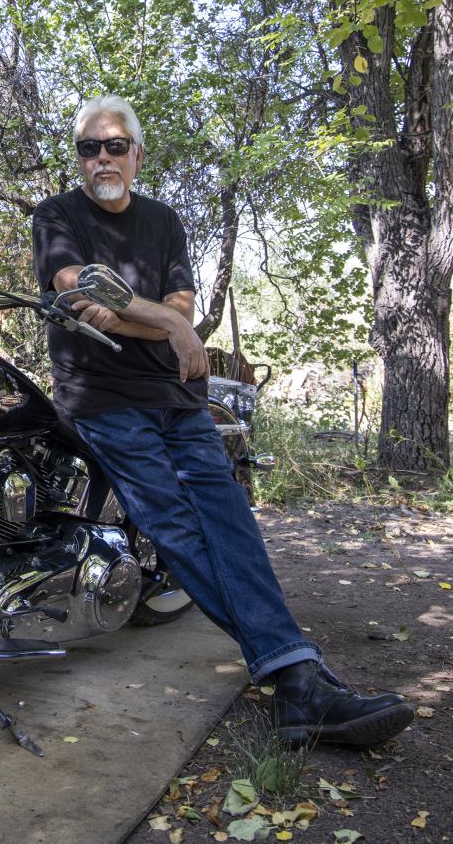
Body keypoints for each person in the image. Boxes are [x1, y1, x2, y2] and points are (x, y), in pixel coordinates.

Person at [31, 93, 413, 747]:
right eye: (87, 148)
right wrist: (170, 323)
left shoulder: (162, 221)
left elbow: (171, 298)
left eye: (113, 145)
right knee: (176, 522)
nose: (100, 157)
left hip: (173, 396)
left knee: (228, 517)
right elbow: (78, 282)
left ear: (136, 154)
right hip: (100, 394)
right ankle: (297, 682)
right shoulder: (57, 214)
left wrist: (157, 315)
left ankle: (292, 674)